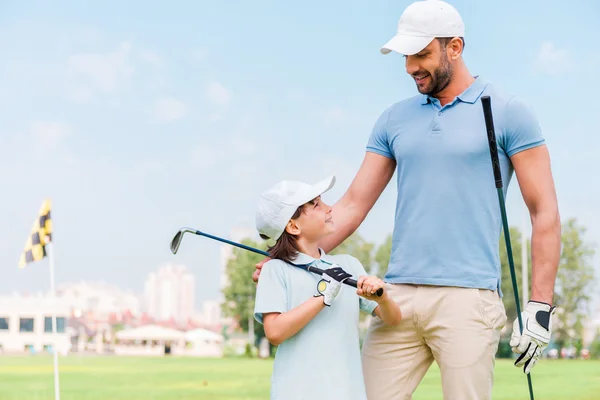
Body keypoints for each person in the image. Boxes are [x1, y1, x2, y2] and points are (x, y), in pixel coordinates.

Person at [253, 1, 561, 399]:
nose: (410, 66)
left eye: (421, 54)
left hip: (468, 300)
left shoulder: (507, 111)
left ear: (455, 47)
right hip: (396, 298)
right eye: (405, 56)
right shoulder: (393, 119)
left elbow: (545, 212)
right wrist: (291, 258)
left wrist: (539, 304)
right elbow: (351, 206)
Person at [253, 175, 402, 400]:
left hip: (347, 392)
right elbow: (274, 332)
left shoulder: (348, 265)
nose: (329, 208)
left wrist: (383, 299)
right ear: (293, 226)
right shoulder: (275, 270)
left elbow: (393, 318)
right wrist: (323, 296)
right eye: (316, 205)